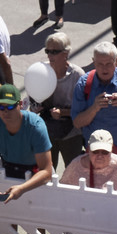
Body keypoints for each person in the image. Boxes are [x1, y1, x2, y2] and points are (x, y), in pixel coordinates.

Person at [0, 84, 55, 203]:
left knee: (39, 217)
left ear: (20, 104)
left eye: (10, 106)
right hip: (7, 168)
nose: (5, 111)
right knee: (4, 217)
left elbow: (46, 171)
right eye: (1, 107)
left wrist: (22, 188)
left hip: (36, 174)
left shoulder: (36, 126)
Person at [39, 34, 88, 164]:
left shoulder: (77, 75)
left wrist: (63, 112)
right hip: (47, 131)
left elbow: (84, 108)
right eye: (47, 51)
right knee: (47, 171)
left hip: (72, 132)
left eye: (54, 51)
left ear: (65, 53)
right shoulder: (42, 71)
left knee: (73, 173)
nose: (50, 55)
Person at [63, 129, 117, 193]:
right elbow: (63, 190)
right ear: (89, 150)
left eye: (105, 152)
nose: (100, 156)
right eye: (95, 151)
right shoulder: (76, 165)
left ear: (111, 150)